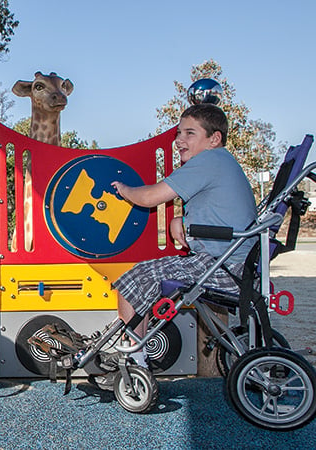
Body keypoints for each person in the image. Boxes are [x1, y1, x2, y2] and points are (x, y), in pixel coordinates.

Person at [110, 103, 256, 368]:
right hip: (238, 263)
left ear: (214, 139)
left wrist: (124, 189)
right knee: (147, 277)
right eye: (178, 133)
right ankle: (136, 348)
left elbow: (150, 197)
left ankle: (134, 358)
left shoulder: (208, 160)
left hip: (222, 266)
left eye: (189, 133)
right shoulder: (222, 161)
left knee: (131, 280)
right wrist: (181, 220)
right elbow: (218, 211)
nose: (179, 140)